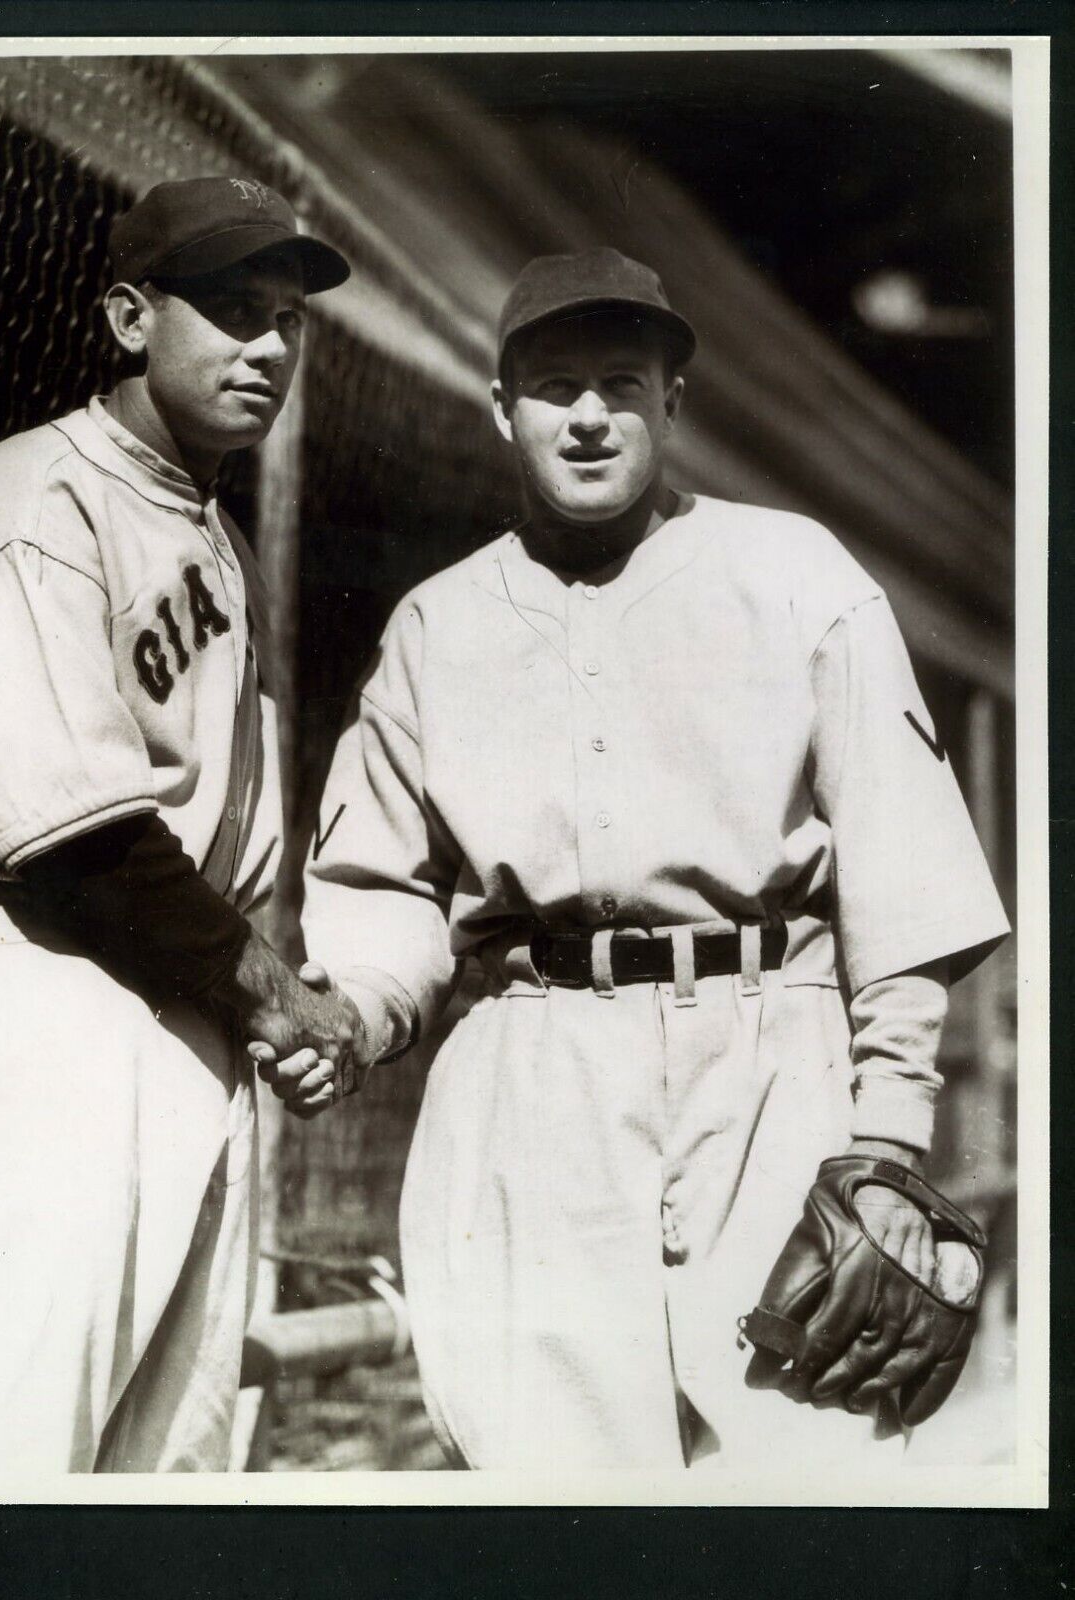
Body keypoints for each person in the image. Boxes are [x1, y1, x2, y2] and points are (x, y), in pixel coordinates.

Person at [261, 247, 1010, 1469]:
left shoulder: (797, 574)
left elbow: (903, 873)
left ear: (675, 398)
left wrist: (885, 1133)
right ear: (500, 408)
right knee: (555, 1478)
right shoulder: (437, 626)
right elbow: (381, 893)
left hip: (769, 1048)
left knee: (816, 1474)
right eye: (557, 386)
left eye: (624, 380)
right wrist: (353, 1011)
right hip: (532, 1059)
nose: (592, 415)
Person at [0, 176, 363, 1476]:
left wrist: (259, 1002)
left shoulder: (207, 531)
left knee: (168, 1467)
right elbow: (78, 846)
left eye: (286, 321)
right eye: (231, 311)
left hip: (175, 1002)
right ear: (130, 317)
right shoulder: (35, 502)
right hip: (43, 995)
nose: (267, 347)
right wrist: (276, 1001)